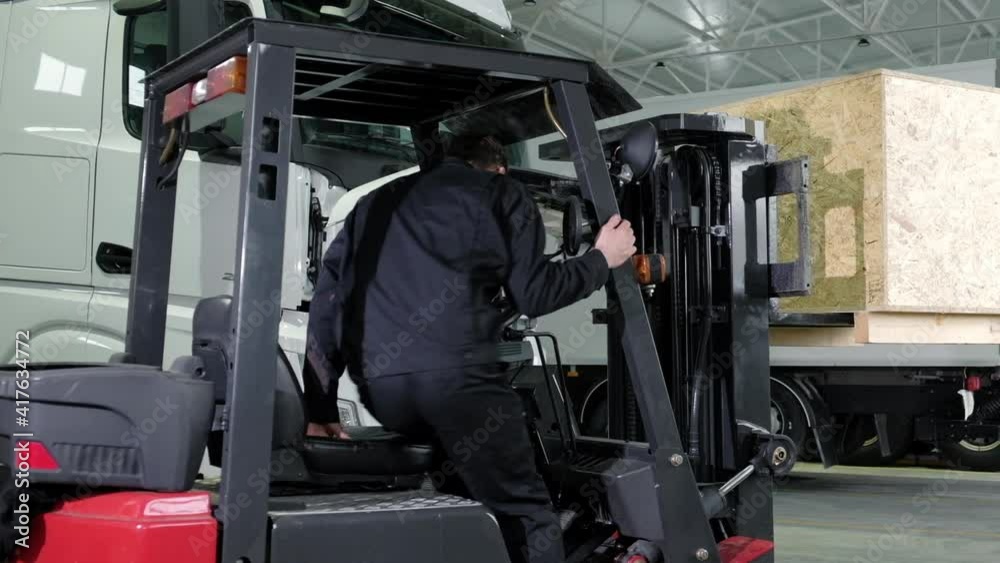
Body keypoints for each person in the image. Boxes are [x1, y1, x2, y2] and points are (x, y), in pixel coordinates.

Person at [304, 135, 636, 563]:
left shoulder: (375, 203)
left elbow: (327, 306)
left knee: (468, 501)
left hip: (383, 391)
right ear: (498, 167)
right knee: (527, 514)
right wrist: (600, 259)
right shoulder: (502, 194)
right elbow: (535, 294)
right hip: (457, 388)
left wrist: (321, 409)